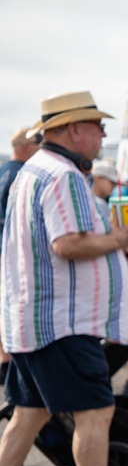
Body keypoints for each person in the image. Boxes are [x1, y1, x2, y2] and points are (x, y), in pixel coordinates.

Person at [0, 91, 128, 466]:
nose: (104, 135)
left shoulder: (35, 170)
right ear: (74, 130)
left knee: (29, 414)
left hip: (37, 317)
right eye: (98, 126)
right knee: (96, 411)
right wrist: (118, 238)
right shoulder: (63, 176)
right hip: (62, 321)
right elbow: (66, 244)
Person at [0, 127, 41, 380]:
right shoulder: (21, 175)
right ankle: (8, 364)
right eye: (37, 142)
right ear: (26, 146)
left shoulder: (4, 170)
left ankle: (4, 362)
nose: (40, 148)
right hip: (8, 251)